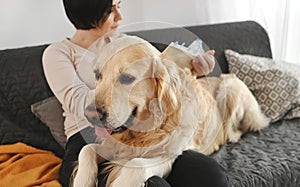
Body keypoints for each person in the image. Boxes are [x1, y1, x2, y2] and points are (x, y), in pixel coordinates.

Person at [42, 0, 231, 186]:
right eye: (110, 10)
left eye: (119, 7)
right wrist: (120, 83)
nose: (120, 16)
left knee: (211, 176)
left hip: (142, 132)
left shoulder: (128, 43)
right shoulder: (59, 53)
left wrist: (192, 70)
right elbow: (78, 101)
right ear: (88, 11)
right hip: (87, 134)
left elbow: (160, 83)